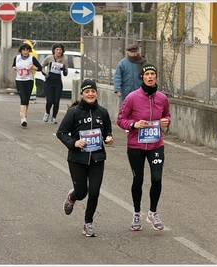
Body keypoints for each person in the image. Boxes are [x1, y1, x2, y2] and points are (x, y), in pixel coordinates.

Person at [116, 63, 171, 231]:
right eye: (147, 74)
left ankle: (153, 213)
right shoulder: (132, 97)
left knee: (156, 178)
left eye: (152, 74)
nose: (150, 77)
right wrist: (133, 124)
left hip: (156, 144)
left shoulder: (162, 98)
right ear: (142, 77)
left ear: (155, 77)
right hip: (136, 145)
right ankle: (137, 214)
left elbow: (167, 115)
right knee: (138, 180)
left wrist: (166, 121)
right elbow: (120, 119)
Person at [57, 79, 114, 237]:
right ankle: (72, 196)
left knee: (94, 192)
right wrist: (74, 142)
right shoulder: (74, 112)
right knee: (82, 192)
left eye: (93, 91)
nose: (90, 94)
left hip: (97, 158)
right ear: (82, 94)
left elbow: (107, 131)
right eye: (87, 91)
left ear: (96, 93)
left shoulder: (102, 112)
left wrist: (108, 138)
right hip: (77, 159)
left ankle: (88, 223)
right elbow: (61, 133)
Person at [12, 42, 42, 127]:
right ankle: (24, 118)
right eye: (24, 50)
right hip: (19, 80)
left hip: (29, 80)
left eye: (27, 50)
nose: (25, 52)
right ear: (21, 51)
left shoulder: (32, 58)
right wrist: (14, 68)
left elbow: (39, 68)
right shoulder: (17, 58)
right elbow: (13, 66)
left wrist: (33, 67)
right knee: (23, 98)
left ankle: (23, 114)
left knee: (27, 99)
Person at [41, 43, 69, 124]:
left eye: (60, 50)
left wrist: (64, 69)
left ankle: (54, 117)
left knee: (56, 101)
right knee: (50, 100)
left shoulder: (64, 60)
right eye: (57, 50)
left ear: (62, 51)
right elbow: (42, 66)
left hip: (58, 83)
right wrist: (46, 74)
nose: (58, 51)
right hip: (49, 82)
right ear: (54, 50)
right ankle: (47, 113)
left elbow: (65, 73)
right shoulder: (49, 58)